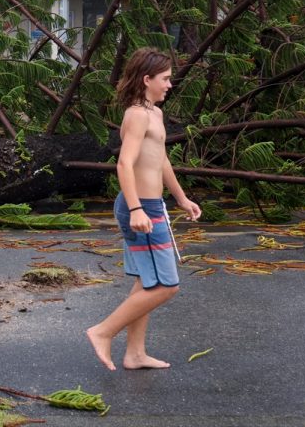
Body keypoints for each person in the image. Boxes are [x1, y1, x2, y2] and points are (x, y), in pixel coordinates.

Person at [86, 47, 201, 371]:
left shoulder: (155, 114)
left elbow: (161, 159)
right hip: (141, 208)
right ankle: (103, 331)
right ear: (146, 79)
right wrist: (137, 210)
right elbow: (124, 163)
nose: (169, 85)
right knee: (167, 285)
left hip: (153, 205)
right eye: (164, 79)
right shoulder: (136, 114)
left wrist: (180, 198)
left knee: (147, 281)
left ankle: (135, 354)